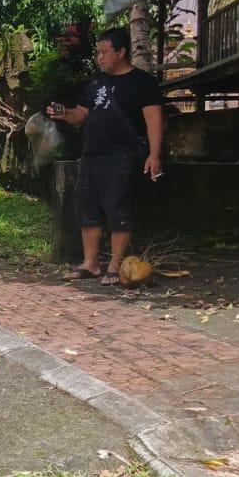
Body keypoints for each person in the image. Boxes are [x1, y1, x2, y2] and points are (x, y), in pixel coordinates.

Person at [47, 27, 164, 285]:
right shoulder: (96, 83)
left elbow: (154, 119)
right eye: (98, 53)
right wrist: (64, 113)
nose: (99, 58)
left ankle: (114, 264)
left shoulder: (142, 83)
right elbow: (82, 115)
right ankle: (91, 264)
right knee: (88, 208)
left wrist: (154, 155)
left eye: (104, 52)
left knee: (118, 209)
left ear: (121, 52)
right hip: (92, 155)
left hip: (122, 156)